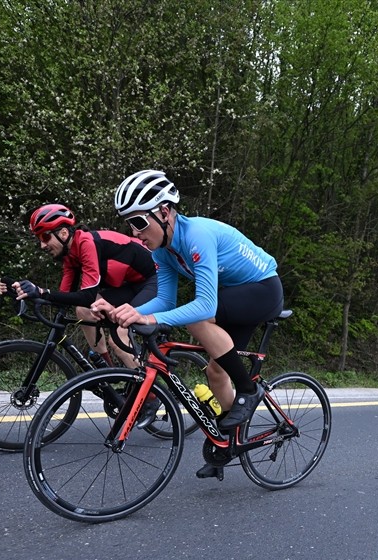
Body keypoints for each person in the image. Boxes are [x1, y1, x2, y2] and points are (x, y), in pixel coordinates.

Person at [92, 169, 283, 434]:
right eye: (129, 224)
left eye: (138, 222)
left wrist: (148, 318)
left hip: (264, 290)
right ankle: (232, 443)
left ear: (164, 212)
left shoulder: (197, 235)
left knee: (197, 320)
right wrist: (125, 312)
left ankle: (248, 390)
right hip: (235, 297)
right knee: (216, 373)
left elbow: (205, 306)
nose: (135, 232)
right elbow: (165, 300)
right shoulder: (163, 251)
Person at [0, 203, 157, 368]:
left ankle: (147, 385)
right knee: (83, 310)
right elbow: (62, 298)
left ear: (64, 233)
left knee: (118, 338)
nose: (42, 245)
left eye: (45, 237)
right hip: (131, 286)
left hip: (155, 279)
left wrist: (40, 291)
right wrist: (21, 291)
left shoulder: (87, 243)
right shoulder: (71, 255)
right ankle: (106, 370)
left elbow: (86, 296)